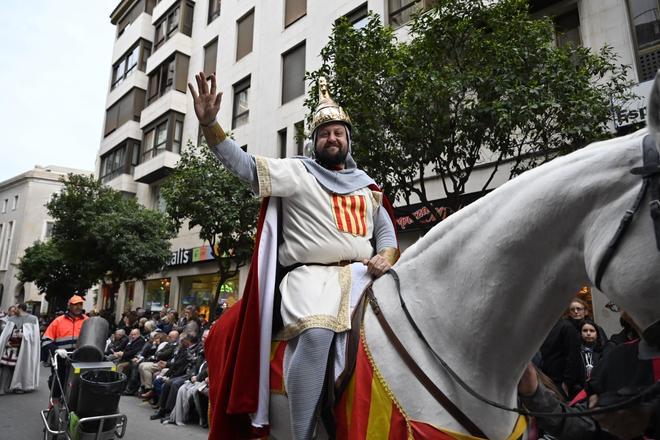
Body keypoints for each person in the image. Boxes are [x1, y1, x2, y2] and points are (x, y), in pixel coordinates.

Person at [190, 73, 399, 439]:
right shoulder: (297, 172)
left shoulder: (368, 187)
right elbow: (245, 166)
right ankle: (302, 434)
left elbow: (385, 233)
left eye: (338, 133)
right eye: (324, 133)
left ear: (348, 141)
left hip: (363, 276)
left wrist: (386, 255)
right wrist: (210, 124)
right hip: (310, 279)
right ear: (313, 141)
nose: (331, 138)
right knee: (317, 334)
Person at [42, 295, 88, 398]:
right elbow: (45, 341)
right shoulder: (58, 321)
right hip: (62, 358)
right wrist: (57, 350)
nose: (78, 307)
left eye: (80, 304)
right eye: (75, 304)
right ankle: (55, 406)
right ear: (69, 306)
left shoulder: (87, 321)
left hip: (80, 359)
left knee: (79, 386)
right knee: (58, 383)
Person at [0, 303, 40, 394]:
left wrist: (24, 335)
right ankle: (2, 388)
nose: (14, 310)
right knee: (6, 366)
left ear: (20, 308)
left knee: (22, 367)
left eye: (16, 308)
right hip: (11, 348)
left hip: (25, 349)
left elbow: (34, 336)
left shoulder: (33, 319)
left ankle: (19, 386)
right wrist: (6, 342)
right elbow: (6, 333)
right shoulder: (12, 319)